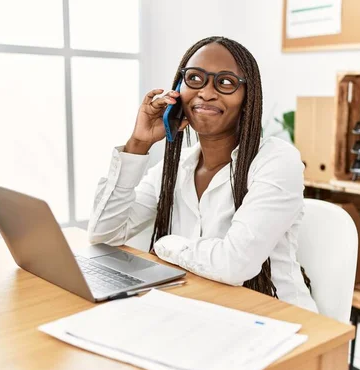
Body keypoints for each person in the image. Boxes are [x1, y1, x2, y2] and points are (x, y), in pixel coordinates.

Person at [88, 36, 317, 312]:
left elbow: (235, 265)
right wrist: (139, 143)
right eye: (195, 78)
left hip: (274, 317)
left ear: (248, 98)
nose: (207, 93)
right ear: (177, 91)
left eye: (226, 82)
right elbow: (104, 235)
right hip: (200, 310)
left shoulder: (276, 160)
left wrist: (166, 246)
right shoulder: (176, 166)